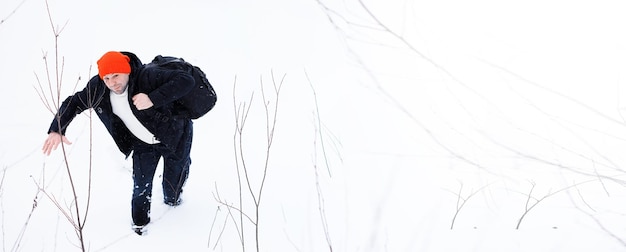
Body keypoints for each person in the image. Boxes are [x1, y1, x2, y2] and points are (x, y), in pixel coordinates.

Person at [42, 51, 195, 234]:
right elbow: (75, 102)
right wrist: (57, 128)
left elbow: (186, 80)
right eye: (106, 78)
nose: (112, 83)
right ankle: (140, 226)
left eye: (116, 75)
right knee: (141, 186)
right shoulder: (99, 89)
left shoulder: (147, 76)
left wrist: (152, 99)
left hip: (175, 136)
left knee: (174, 183)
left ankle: (174, 201)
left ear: (127, 71)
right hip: (142, 144)